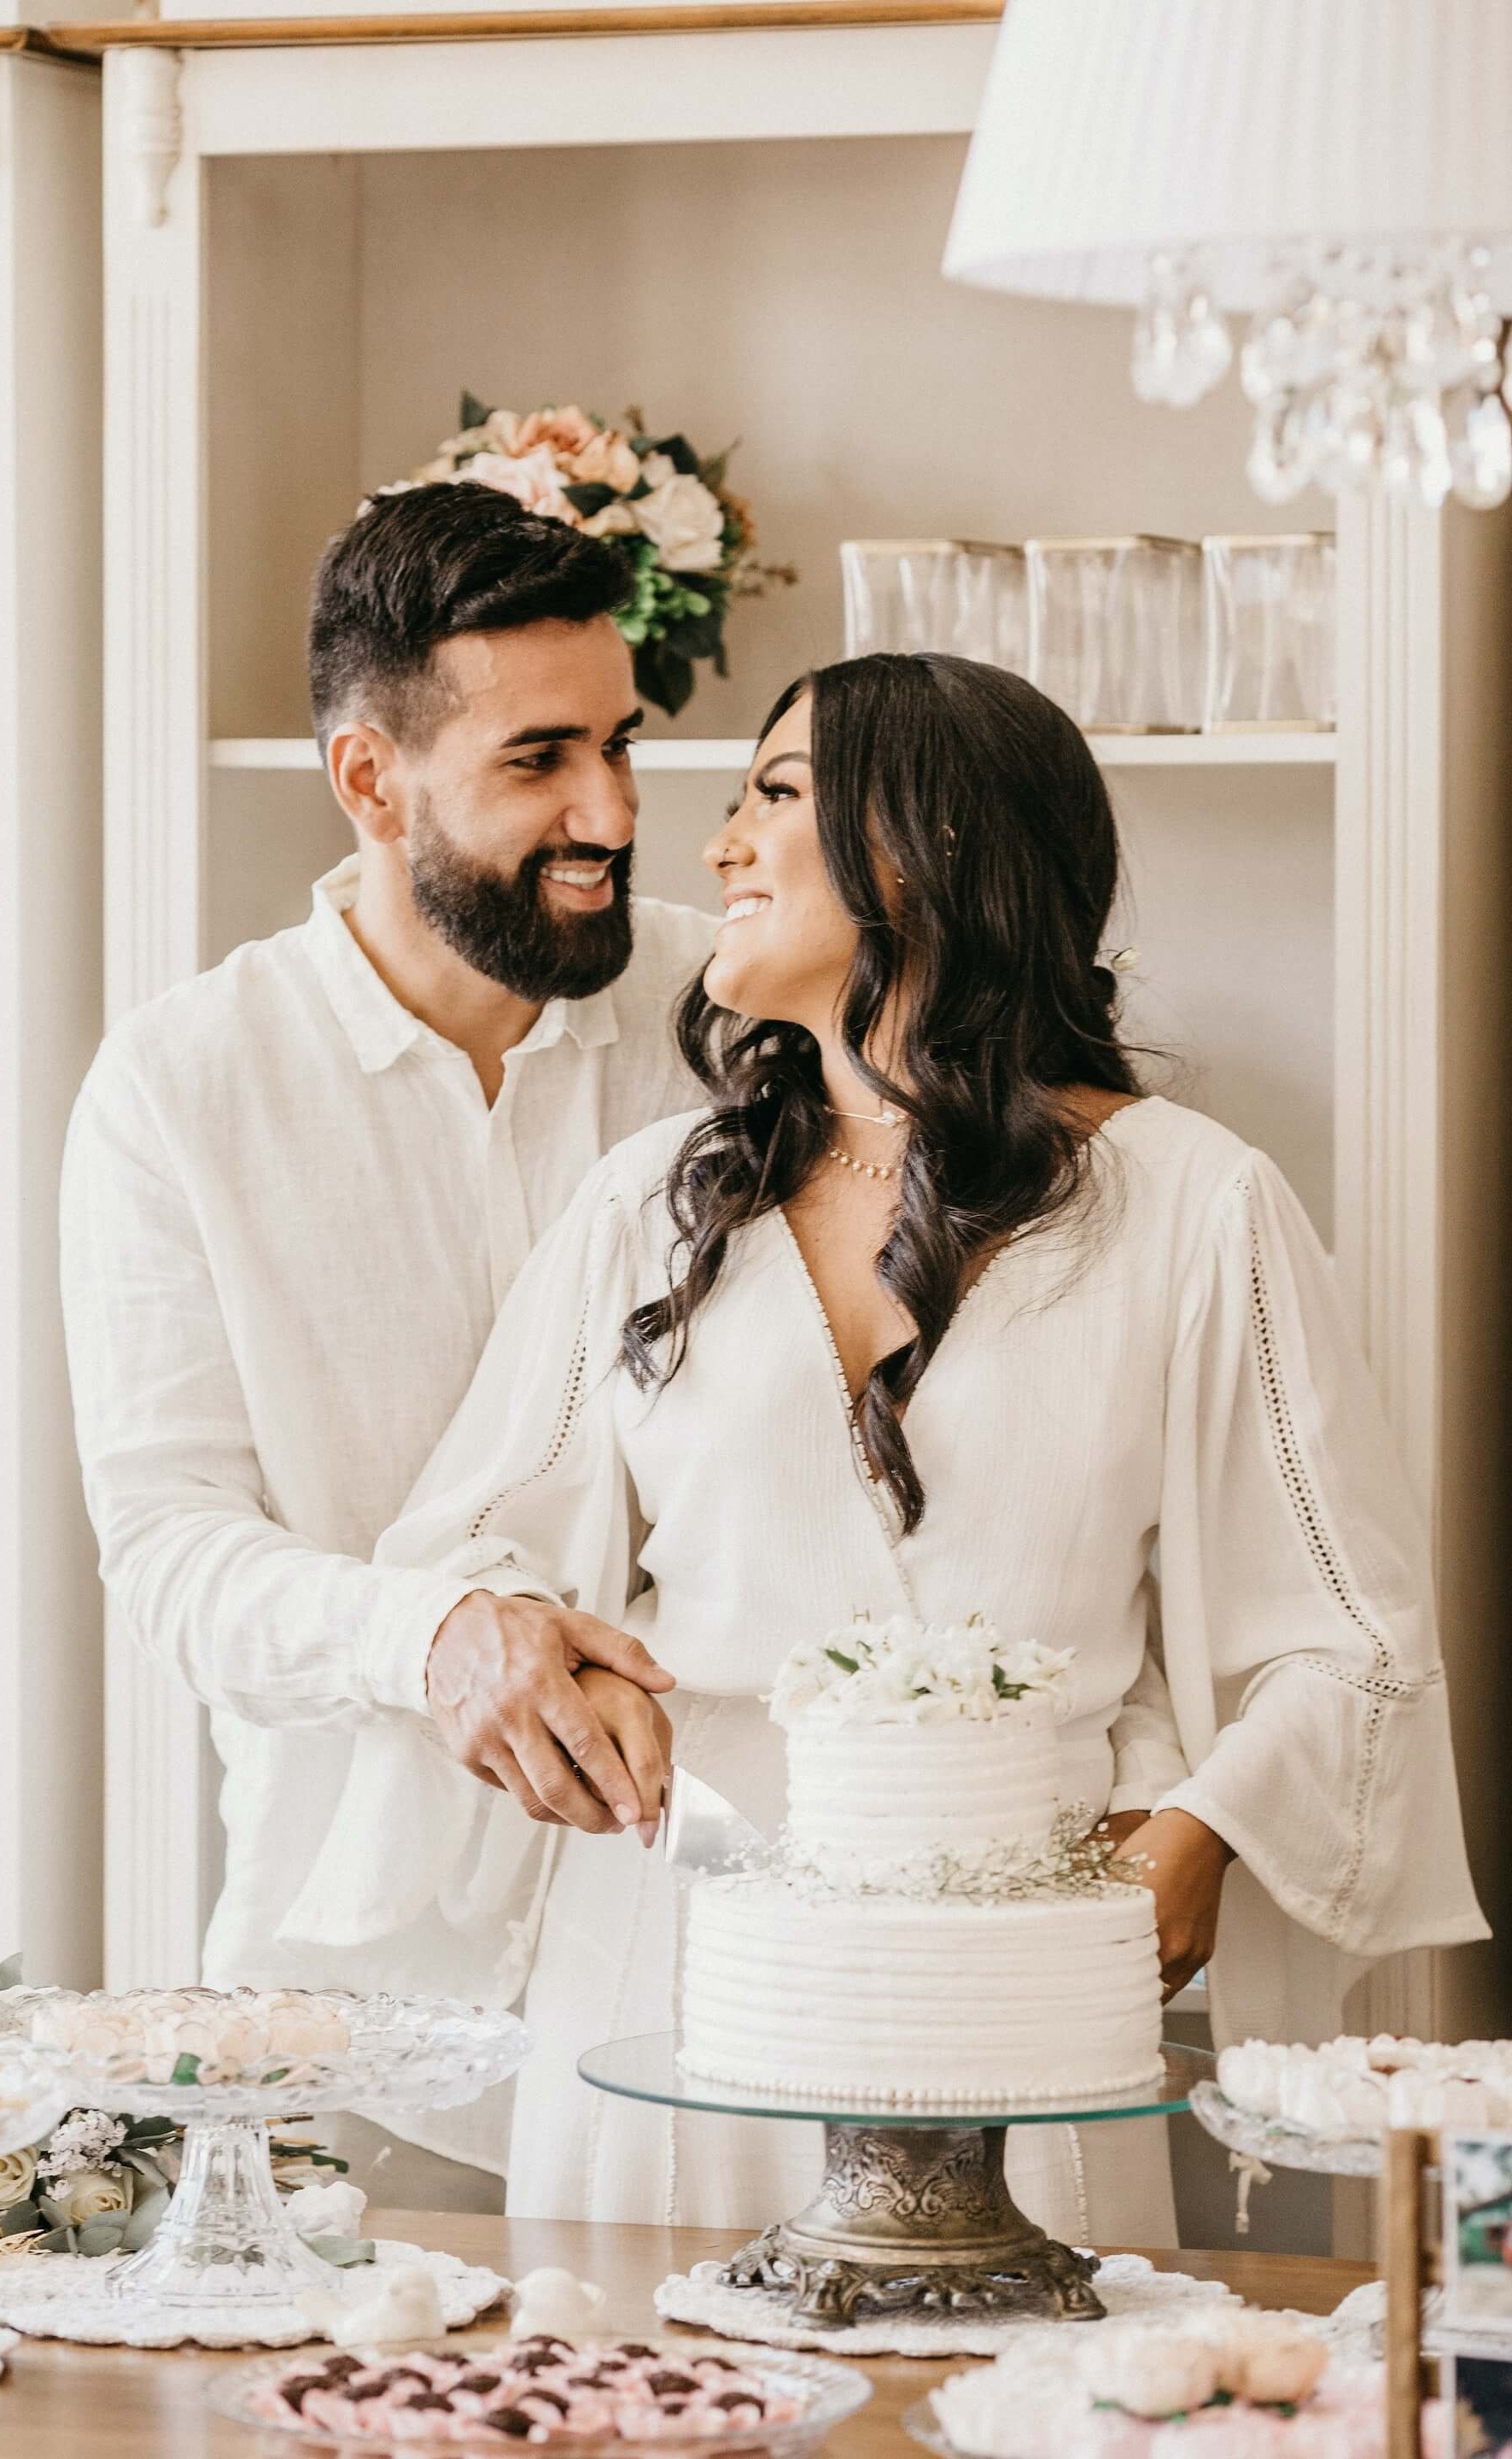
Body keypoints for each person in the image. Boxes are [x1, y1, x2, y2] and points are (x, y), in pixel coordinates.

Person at [285, 650, 1487, 2240]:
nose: (715, 846)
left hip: (1020, 1983)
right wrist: (517, 1649)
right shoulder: (653, 1204)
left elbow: (1357, 1637)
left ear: (917, 850)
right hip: (671, 1966)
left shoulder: (1202, 1208)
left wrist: (1207, 1828)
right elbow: (478, 1537)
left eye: (774, 795)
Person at [60, 482, 714, 2205]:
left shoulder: (729, 1021)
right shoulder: (180, 1089)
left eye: (625, 749)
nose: (613, 813)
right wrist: (437, 1637)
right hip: (352, 2017)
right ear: (369, 779)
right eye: (540, 761)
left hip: (699, 1969)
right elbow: (169, 1547)